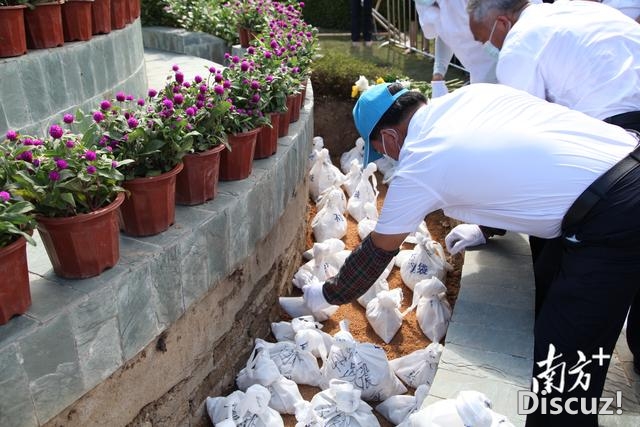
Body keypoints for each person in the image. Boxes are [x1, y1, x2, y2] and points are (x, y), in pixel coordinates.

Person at [303, 82, 640, 426]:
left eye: (384, 151)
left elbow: (376, 252)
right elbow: (522, 159)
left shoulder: (422, 160)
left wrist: (326, 294)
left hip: (614, 214)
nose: (390, 158)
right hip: (629, 154)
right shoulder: (472, 96)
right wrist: (486, 228)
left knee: (563, 362)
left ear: (390, 137)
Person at [462, 0, 640, 378]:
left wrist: (487, 222)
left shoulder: (519, 45)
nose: (489, 49)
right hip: (626, 136)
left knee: (570, 267)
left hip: (620, 148)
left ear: (501, 22)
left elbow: (525, 144)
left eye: (485, 41)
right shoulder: (573, 11)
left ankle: (559, 366)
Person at [413, 0, 500, 97]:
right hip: (477, 74)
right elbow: (443, 32)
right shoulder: (429, 6)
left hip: (502, 68)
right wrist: (438, 73)